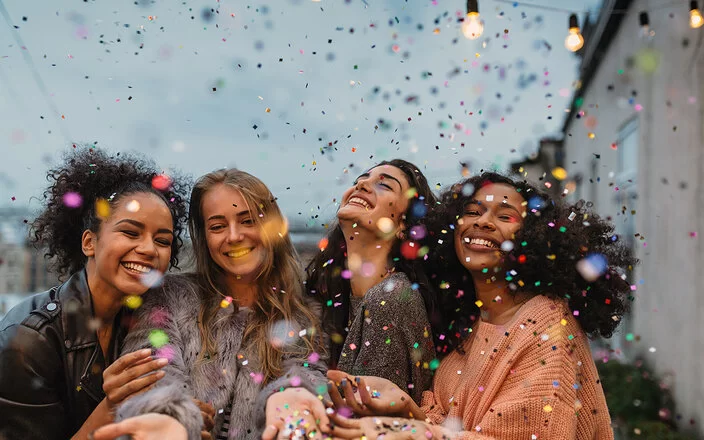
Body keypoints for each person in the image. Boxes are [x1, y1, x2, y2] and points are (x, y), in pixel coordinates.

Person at [327, 172, 637, 439]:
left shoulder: (549, 328)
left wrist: (416, 430)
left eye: (505, 217)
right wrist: (408, 409)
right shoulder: (471, 322)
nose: (484, 223)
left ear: (533, 238)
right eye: (473, 212)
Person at [115, 169, 330, 440]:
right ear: (204, 238)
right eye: (217, 226)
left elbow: (305, 372)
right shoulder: (168, 297)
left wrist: (292, 397)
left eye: (248, 220)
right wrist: (169, 415)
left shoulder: (305, 314)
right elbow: (153, 371)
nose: (234, 236)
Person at [0, 148, 190, 440]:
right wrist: (113, 405)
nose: (149, 249)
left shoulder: (149, 321)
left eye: (162, 240)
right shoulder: (27, 341)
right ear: (89, 242)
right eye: (130, 232)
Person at [306, 159, 438, 404]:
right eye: (360, 180)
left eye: (385, 186)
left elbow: (366, 419)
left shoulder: (391, 297)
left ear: (403, 225)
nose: (363, 184)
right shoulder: (332, 297)